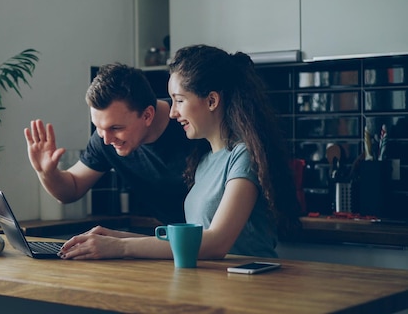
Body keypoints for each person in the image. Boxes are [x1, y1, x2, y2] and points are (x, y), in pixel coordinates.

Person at [58, 44, 302, 260]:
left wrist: (122, 248)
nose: (173, 112)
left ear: (212, 101)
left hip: (255, 286)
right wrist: (117, 239)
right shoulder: (204, 160)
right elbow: (189, 241)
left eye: (179, 100)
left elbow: (216, 243)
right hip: (211, 286)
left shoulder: (243, 157)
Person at [24, 63, 196, 225]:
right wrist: (47, 173)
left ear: (147, 116)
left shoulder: (192, 126)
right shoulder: (104, 138)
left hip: (212, 242)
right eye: (98, 127)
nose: (106, 139)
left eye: (116, 128)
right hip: (175, 242)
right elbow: (71, 189)